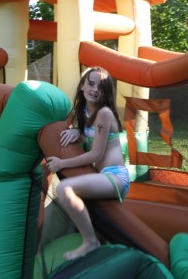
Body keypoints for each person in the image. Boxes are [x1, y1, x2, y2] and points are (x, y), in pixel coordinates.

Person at [45, 67, 130, 260]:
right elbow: (88, 136)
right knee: (104, 230)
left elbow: (96, 154)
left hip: (116, 176)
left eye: (101, 86)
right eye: (91, 83)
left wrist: (62, 163)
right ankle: (98, 247)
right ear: (82, 85)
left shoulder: (104, 113)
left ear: (106, 91)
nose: (95, 89)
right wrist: (77, 132)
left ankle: (89, 242)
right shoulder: (83, 111)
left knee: (65, 189)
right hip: (101, 176)